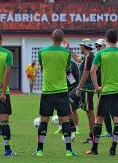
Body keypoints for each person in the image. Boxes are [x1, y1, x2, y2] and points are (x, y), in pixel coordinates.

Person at [88, 29, 118, 156]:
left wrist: (97, 87)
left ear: (106, 39)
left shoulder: (101, 54)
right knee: (117, 121)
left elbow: (92, 71)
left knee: (99, 119)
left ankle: (94, 148)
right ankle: (113, 148)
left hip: (106, 92)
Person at [33, 29, 76, 157]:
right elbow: (66, 69)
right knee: (65, 121)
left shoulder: (42, 52)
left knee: (44, 121)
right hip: (62, 91)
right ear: (62, 39)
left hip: (47, 91)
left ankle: (40, 150)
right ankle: (68, 150)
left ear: (51, 37)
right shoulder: (67, 53)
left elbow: (41, 66)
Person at [74, 39, 96, 144]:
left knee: (90, 112)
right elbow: (77, 59)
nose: (80, 47)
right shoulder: (86, 57)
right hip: (86, 88)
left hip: (87, 88)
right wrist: (69, 49)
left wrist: (78, 87)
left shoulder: (89, 57)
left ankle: (92, 136)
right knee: (88, 111)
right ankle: (92, 136)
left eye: (81, 45)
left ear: (85, 46)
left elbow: (86, 73)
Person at [93, 38, 113, 138]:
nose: (97, 48)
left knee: (112, 109)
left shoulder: (109, 56)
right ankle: (110, 131)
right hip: (100, 88)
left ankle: (115, 131)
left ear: (105, 46)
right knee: (104, 110)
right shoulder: (97, 57)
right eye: (96, 46)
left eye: (99, 46)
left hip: (109, 86)